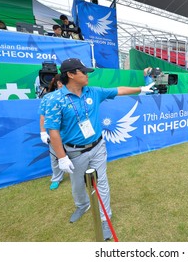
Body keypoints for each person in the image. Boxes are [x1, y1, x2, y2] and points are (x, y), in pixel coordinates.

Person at [43, 58, 153, 240]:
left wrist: (141, 89)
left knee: (101, 183)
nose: (87, 75)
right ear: (70, 74)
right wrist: (62, 158)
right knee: (78, 185)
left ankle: (104, 219)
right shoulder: (54, 99)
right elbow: (53, 131)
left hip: (98, 147)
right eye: (83, 72)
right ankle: (82, 205)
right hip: (74, 152)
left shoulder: (93, 92)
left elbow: (118, 90)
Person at [39, 74, 64, 190]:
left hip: (73, 133)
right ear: (59, 83)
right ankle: (56, 178)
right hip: (56, 134)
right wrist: (43, 132)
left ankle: (82, 175)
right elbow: (43, 116)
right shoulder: (48, 97)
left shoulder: (75, 95)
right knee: (55, 157)